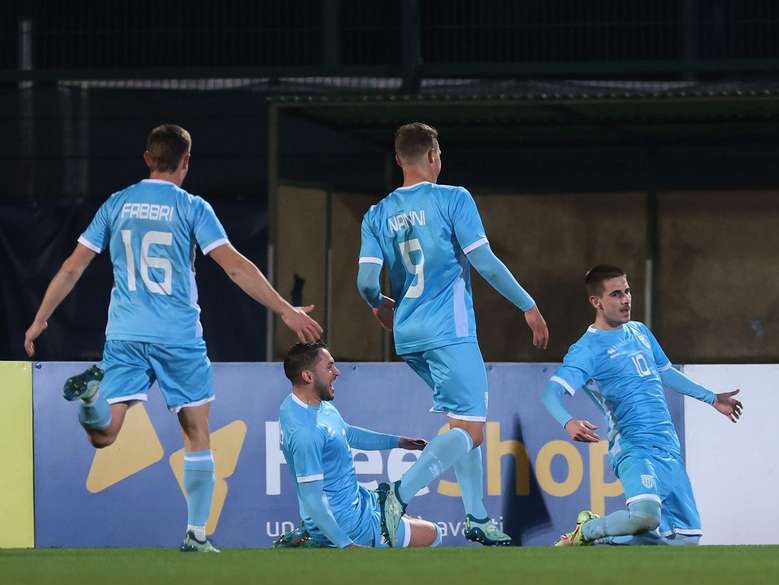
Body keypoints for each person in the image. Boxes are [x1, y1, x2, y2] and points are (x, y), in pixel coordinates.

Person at [23, 124, 322, 552]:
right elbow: (235, 266)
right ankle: (197, 534)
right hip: (178, 336)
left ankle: (90, 401)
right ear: (185, 162)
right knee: (197, 433)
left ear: (147, 157)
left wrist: (40, 318)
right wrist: (285, 310)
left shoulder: (117, 204)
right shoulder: (192, 207)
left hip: (125, 334)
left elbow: (73, 267)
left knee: (104, 435)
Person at [356, 122, 550, 546]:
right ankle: (398, 492)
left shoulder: (377, 214)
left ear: (397, 159)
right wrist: (528, 305)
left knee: (464, 422)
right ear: (432, 157)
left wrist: (380, 306)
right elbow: (486, 262)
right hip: (450, 330)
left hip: (408, 335)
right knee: (473, 429)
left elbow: (367, 282)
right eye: (439, 153)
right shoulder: (453, 199)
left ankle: (477, 517)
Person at [541, 265, 742, 546]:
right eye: (616, 294)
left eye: (627, 291)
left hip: (668, 446)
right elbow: (550, 394)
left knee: (685, 540)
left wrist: (711, 397)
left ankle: (602, 545)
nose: (626, 300)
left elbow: (665, 371)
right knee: (646, 517)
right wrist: (569, 422)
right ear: (596, 302)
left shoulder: (640, 332)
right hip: (634, 446)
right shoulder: (587, 349)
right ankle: (586, 530)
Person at [275, 341, 442, 549]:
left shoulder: (304, 405)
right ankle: (321, 540)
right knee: (434, 535)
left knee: (407, 517)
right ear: (308, 376)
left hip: (359, 502)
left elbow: (347, 433)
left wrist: (398, 442)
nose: (337, 372)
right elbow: (312, 500)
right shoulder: (305, 432)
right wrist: (347, 545)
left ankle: (313, 535)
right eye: (329, 367)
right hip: (350, 526)